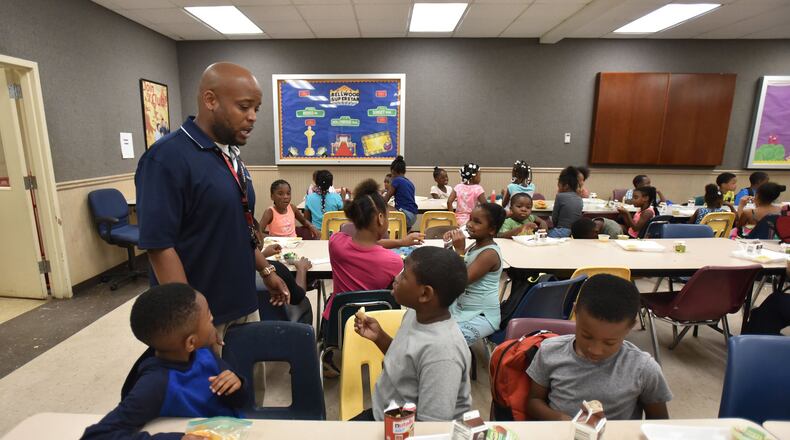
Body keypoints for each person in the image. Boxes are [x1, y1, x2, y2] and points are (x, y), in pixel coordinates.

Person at [135, 62, 289, 344]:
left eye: (257, 108)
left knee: (248, 387)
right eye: (244, 107)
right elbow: (159, 247)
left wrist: (264, 270)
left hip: (243, 303)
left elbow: (238, 226)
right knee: (207, 387)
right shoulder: (166, 158)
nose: (253, 117)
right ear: (210, 100)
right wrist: (190, 319)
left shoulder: (230, 155)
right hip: (200, 318)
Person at [82, 284, 249, 439]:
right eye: (209, 318)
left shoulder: (205, 355)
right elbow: (97, 435)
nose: (213, 317)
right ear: (191, 342)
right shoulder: (155, 384)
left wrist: (237, 385)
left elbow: (240, 400)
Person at [527, 274, 672, 420]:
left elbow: (660, 423)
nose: (595, 350)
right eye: (586, 336)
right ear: (576, 312)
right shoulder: (550, 351)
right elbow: (534, 401)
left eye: (609, 342)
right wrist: (560, 419)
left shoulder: (644, 369)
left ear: (630, 327)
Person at [352, 247, 472, 421]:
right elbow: (406, 364)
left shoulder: (443, 354)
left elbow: (431, 427)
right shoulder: (415, 314)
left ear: (425, 293)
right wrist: (380, 337)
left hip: (404, 429)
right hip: (386, 413)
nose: (396, 278)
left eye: (404, 275)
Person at [325, 179, 415, 375]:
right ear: (381, 219)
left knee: (330, 300)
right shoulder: (393, 262)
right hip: (378, 327)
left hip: (339, 326)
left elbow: (349, 233)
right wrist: (401, 242)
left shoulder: (336, 243)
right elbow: (374, 249)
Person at [445, 203, 505, 345]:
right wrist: (450, 245)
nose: (470, 224)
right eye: (470, 219)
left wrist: (459, 250)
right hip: (463, 307)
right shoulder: (475, 245)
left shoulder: (489, 253)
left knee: (450, 341)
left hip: (482, 315)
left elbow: (460, 280)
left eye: (477, 222)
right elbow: (452, 268)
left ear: (492, 230)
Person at [383, 156, 418, 230]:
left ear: (393, 171)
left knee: (381, 207)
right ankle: (401, 233)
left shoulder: (396, 180)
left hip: (404, 215)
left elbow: (385, 199)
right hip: (413, 216)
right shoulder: (410, 183)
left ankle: (386, 233)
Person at [549, 166, 583, 238]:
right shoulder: (579, 198)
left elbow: (554, 218)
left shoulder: (560, 196)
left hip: (561, 231)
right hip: (575, 232)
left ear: (566, 186)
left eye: (559, 186)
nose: (558, 188)